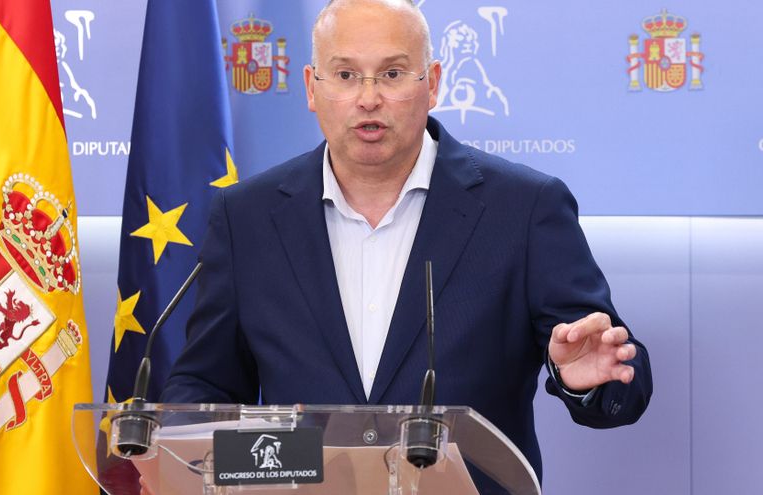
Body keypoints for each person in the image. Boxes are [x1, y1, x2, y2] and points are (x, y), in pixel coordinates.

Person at [160, 0, 652, 491]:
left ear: (433, 82)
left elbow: (619, 376)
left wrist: (586, 380)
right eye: (346, 75)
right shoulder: (247, 217)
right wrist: (171, 442)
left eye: (392, 73)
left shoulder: (524, 209)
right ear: (312, 87)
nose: (368, 98)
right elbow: (205, 385)